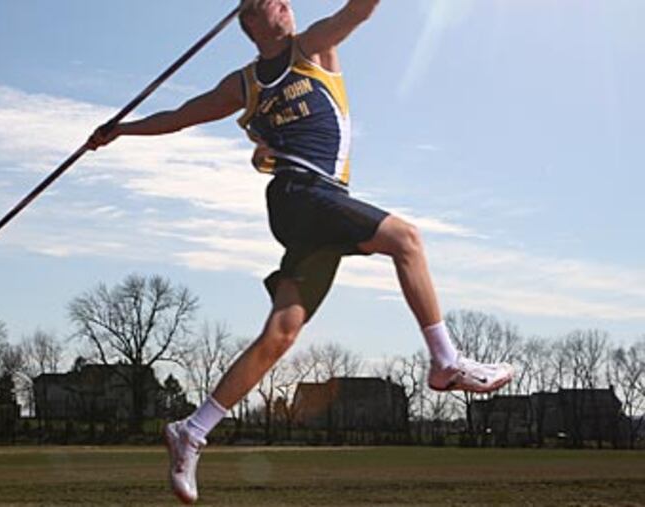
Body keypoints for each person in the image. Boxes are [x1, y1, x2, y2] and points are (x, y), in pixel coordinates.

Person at [87, 0, 514, 503]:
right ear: (249, 23)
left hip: (323, 206)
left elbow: (359, 10)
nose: (284, 4)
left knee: (280, 334)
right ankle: (446, 363)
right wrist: (119, 131)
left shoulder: (314, 46)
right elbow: (180, 117)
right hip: (300, 195)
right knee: (407, 240)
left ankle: (192, 430)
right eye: (270, 2)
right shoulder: (242, 84)